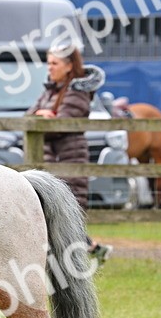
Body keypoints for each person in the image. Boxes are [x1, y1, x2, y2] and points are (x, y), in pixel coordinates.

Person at [27, 45, 112, 264]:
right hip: (49, 158)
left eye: (54, 63)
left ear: (69, 66)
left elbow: (63, 123)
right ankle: (93, 250)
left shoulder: (78, 92)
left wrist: (48, 118)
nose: (50, 68)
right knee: (50, 210)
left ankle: (80, 257)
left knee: (68, 211)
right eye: (48, 63)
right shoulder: (50, 90)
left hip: (70, 157)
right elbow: (29, 116)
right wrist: (41, 114)